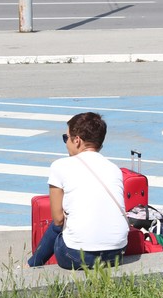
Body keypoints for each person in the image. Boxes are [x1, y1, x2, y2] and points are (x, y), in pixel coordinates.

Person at [28, 112, 128, 269]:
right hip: (116, 254)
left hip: (77, 256)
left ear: (77, 140)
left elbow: (58, 220)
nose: (65, 142)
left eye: (65, 138)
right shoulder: (114, 169)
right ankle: (32, 264)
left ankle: (32, 265)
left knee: (59, 225)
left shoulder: (60, 166)